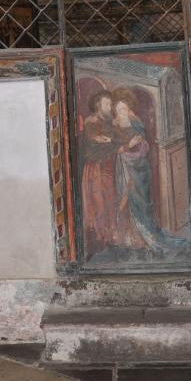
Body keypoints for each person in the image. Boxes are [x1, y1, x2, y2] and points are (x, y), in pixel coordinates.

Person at [111, 88, 188, 256]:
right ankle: (131, 239)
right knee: (126, 199)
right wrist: (126, 146)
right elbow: (114, 147)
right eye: (119, 109)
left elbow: (144, 144)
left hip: (139, 168)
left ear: (129, 108)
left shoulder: (136, 122)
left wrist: (133, 147)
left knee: (141, 201)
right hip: (123, 166)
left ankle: (146, 238)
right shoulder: (114, 125)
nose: (121, 112)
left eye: (124, 108)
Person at [81, 89, 117, 257]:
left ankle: (108, 237)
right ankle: (99, 238)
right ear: (98, 105)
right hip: (96, 168)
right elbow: (97, 141)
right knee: (98, 202)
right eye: (107, 104)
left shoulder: (109, 121)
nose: (110, 107)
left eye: (110, 103)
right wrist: (111, 142)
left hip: (107, 166)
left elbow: (113, 140)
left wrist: (113, 141)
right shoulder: (92, 121)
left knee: (109, 200)